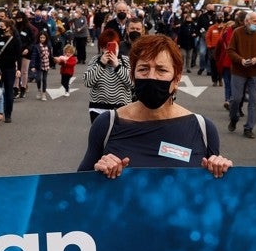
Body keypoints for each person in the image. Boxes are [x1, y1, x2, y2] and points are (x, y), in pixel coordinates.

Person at [78, 34, 231, 179]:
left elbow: (213, 192)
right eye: (143, 69)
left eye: (161, 70)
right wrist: (98, 172)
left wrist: (221, 170)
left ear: (176, 79)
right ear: (133, 76)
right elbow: (79, 185)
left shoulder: (203, 128)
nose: (151, 76)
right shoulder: (107, 124)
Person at [227, 9, 256, 139]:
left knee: (253, 101)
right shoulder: (237, 33)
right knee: (236, 98)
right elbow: (230, 50)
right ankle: (234, 118)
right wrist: (241, 60)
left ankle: (249, 127)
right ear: (247, 21)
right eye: (255, 21)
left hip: (255, 72)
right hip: (239, 71)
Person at [85, 28, 133, 122]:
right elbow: (87, 82)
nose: (109, 50)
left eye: (112, 46)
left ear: (118, 46)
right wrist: (101, 64)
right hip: (98, 108)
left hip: (122, 109)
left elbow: (132, 83)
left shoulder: (125, 60)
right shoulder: (95, 60)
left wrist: (117, 66)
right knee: (100, 136)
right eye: (105, 47)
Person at [0, 17, 23, 122]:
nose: (0, 28)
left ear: (8, 27)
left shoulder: (15, 39)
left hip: (10, 69)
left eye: (2, 26)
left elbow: (18, 55)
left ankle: (8, 114)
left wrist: (19, 69)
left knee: (8, 92)